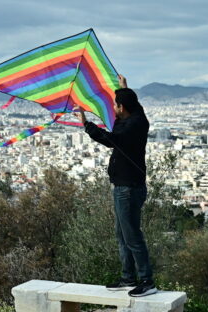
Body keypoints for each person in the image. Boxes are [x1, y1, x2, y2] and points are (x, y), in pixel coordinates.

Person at [73, 75, 156, 297]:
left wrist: (85, 122)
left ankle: (146, 280)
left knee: (131, 236)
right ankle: (128, 277)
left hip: (128, 188)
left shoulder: (129, 129)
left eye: (115, 105)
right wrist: (123, 90)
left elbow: (109, 139)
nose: (113, 108)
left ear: (122, 108)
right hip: (126, 186)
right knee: (122, 234)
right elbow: (130, 112)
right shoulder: (138, 119)